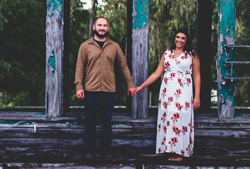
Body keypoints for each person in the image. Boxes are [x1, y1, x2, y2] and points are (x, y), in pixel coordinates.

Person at [131, 29, 199, 161]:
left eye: (183, 38)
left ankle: (180, 153)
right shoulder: (167, 54)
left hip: (183, 91)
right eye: (177, 37)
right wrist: (140, 87)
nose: (179, 40)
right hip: (167, 92)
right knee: (168, 117)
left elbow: (197, 76)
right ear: (174, 38)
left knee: (180, 118)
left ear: (187, 40)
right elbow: (156, 73)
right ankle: (170, 150)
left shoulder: (192, 54)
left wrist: (197, 96)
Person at [74, 16, 134, 158]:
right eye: (99, 25)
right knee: (90, 122)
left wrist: (130, 84)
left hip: (108, 90)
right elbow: (79, 68)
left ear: (108, 28)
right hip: (90, 90)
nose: (102, 28)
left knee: (106, 123)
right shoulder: (85, 46)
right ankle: (89, 151)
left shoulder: (114, 46)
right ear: (94, 27)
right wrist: (78, 86)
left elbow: (123, 67)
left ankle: (106, 152)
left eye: (105, 25)